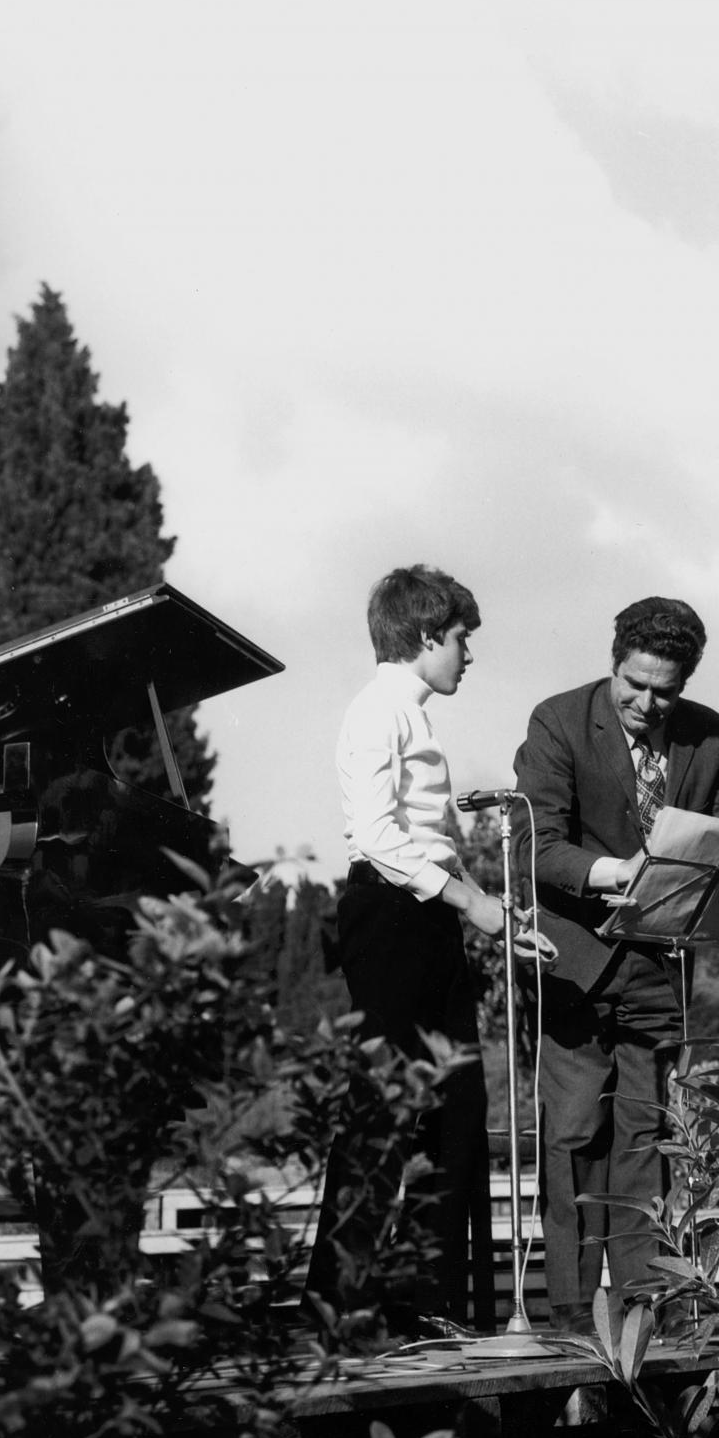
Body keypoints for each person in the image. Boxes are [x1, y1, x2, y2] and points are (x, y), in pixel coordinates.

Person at [512, 597, 719, 1333]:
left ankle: (646, 1314)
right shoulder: (557, 721)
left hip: (660, 966)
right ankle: (568, 1320)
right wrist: (614, 873)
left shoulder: (709, 736)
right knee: (574, 1136)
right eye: (635, 684)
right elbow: (535, 844)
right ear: (613, 659)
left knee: (648, 1141)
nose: (648, 703)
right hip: (575, 961)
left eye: (665, 691)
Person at [303, 564, 512, 1339]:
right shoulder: (376, 712)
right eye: (461, 640)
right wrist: (469, 902)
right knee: (381, 1113)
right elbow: (374, 835)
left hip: (426, 915)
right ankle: (334, 1307)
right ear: (426, 637)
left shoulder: (415, 715)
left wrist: (482, 896)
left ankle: (425, 1301)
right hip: (389, 917)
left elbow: (422, 838)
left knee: (458, 1112)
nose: (468, 655)